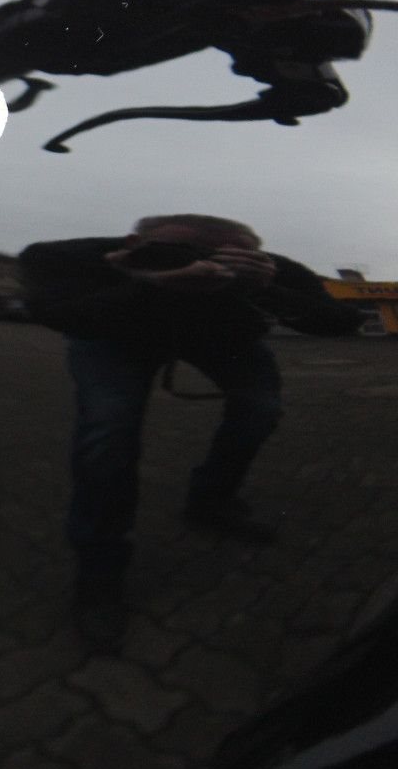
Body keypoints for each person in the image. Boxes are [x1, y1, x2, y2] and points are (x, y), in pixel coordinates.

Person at [19, 214, 363, 649]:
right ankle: (99, 572)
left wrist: (266, 287)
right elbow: (51, 311)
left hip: (219, 336)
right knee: (108, 429)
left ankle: (212, 500)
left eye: (222, 254)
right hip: (117, 331)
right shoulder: (80, 256)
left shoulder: (271, 269)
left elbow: (341, 320)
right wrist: (149, 281)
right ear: (131, 242)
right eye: (179, 250)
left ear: (253, 254)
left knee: (259, 407)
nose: (201, 260)